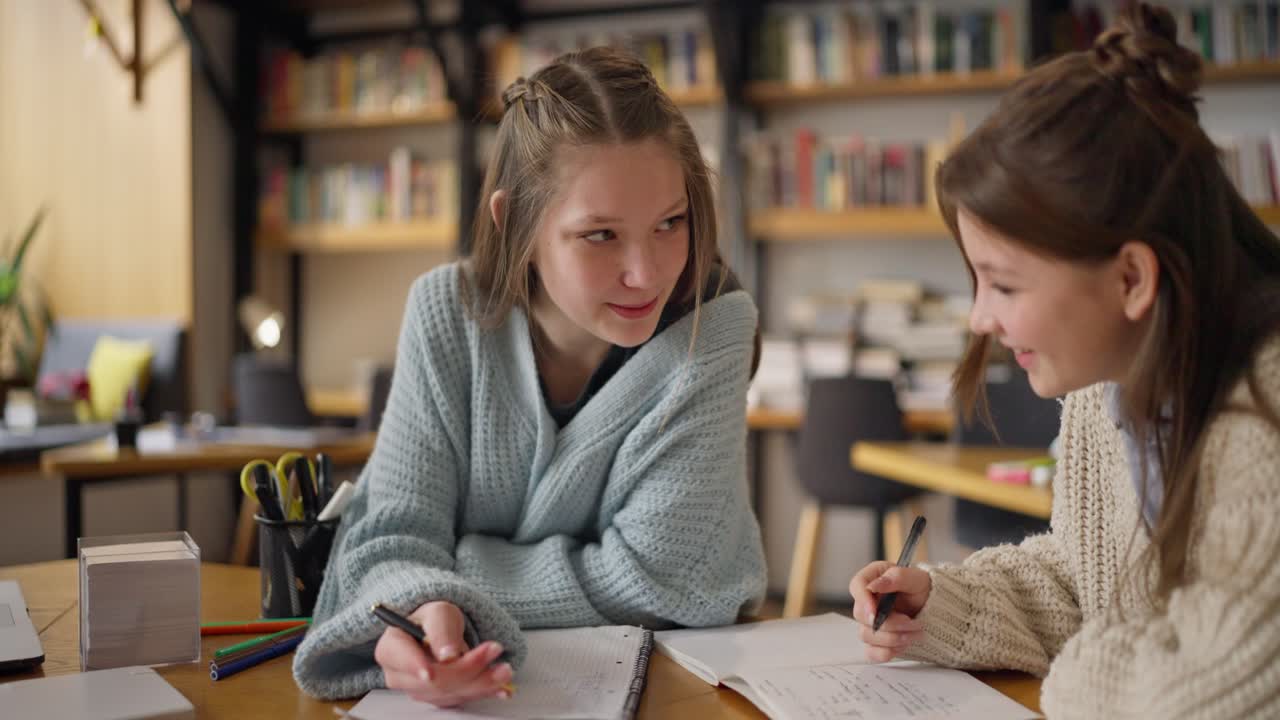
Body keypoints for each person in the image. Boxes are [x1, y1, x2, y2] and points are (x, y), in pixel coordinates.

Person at [292, 47, 767, 705]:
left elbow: (666, 577)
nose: (648, 273)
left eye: (670, 223)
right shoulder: (445, 314)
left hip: (682, 689)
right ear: (513, 221)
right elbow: (388, 541)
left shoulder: (713, 329)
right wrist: (419, 608)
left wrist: (447, 572)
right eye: (601, 235)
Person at [847, 4, 1280, 718]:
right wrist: (941, 605)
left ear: (1132, 280)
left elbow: (1202, 692)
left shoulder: (1262, 414)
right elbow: (1092, 583)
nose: (980, 317)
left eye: (1004, 283)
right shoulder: (1106, 386)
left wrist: (1084, 667)